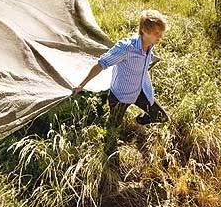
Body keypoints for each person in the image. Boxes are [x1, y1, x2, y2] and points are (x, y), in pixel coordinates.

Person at [72, 10, 169, 142]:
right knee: (112, 130)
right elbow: (101, 64)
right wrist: (81, 85)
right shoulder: (126, 48)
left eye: (161, 33)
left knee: (162, 117)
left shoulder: (150, 44)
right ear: (144, 30)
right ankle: (108, 152)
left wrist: (153, 58)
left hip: (140, 91)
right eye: (156, 33)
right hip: (120, 96)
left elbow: (144, 57)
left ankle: (138, 121)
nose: (160, 37)